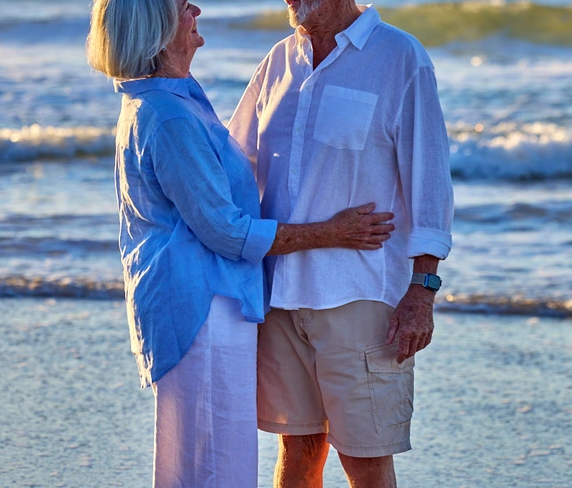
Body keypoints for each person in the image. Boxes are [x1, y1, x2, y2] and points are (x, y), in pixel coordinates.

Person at [85, 0, 396, 486]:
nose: (196, 9)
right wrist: (331, 232)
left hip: (212, 300)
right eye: (181, 5)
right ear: (159, 29)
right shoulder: (168, 115)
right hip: (202, 307)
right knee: (213, 463)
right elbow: (227, 231)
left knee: (205, 456)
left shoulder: (178, 98)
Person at [228, 0, 455, 485]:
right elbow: (235, 162)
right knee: (298, 446)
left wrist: (423, 291)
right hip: (278, 296)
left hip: (359, 296)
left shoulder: (399, 57)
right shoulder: (278, 61)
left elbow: (429, 182)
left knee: (366, 458)